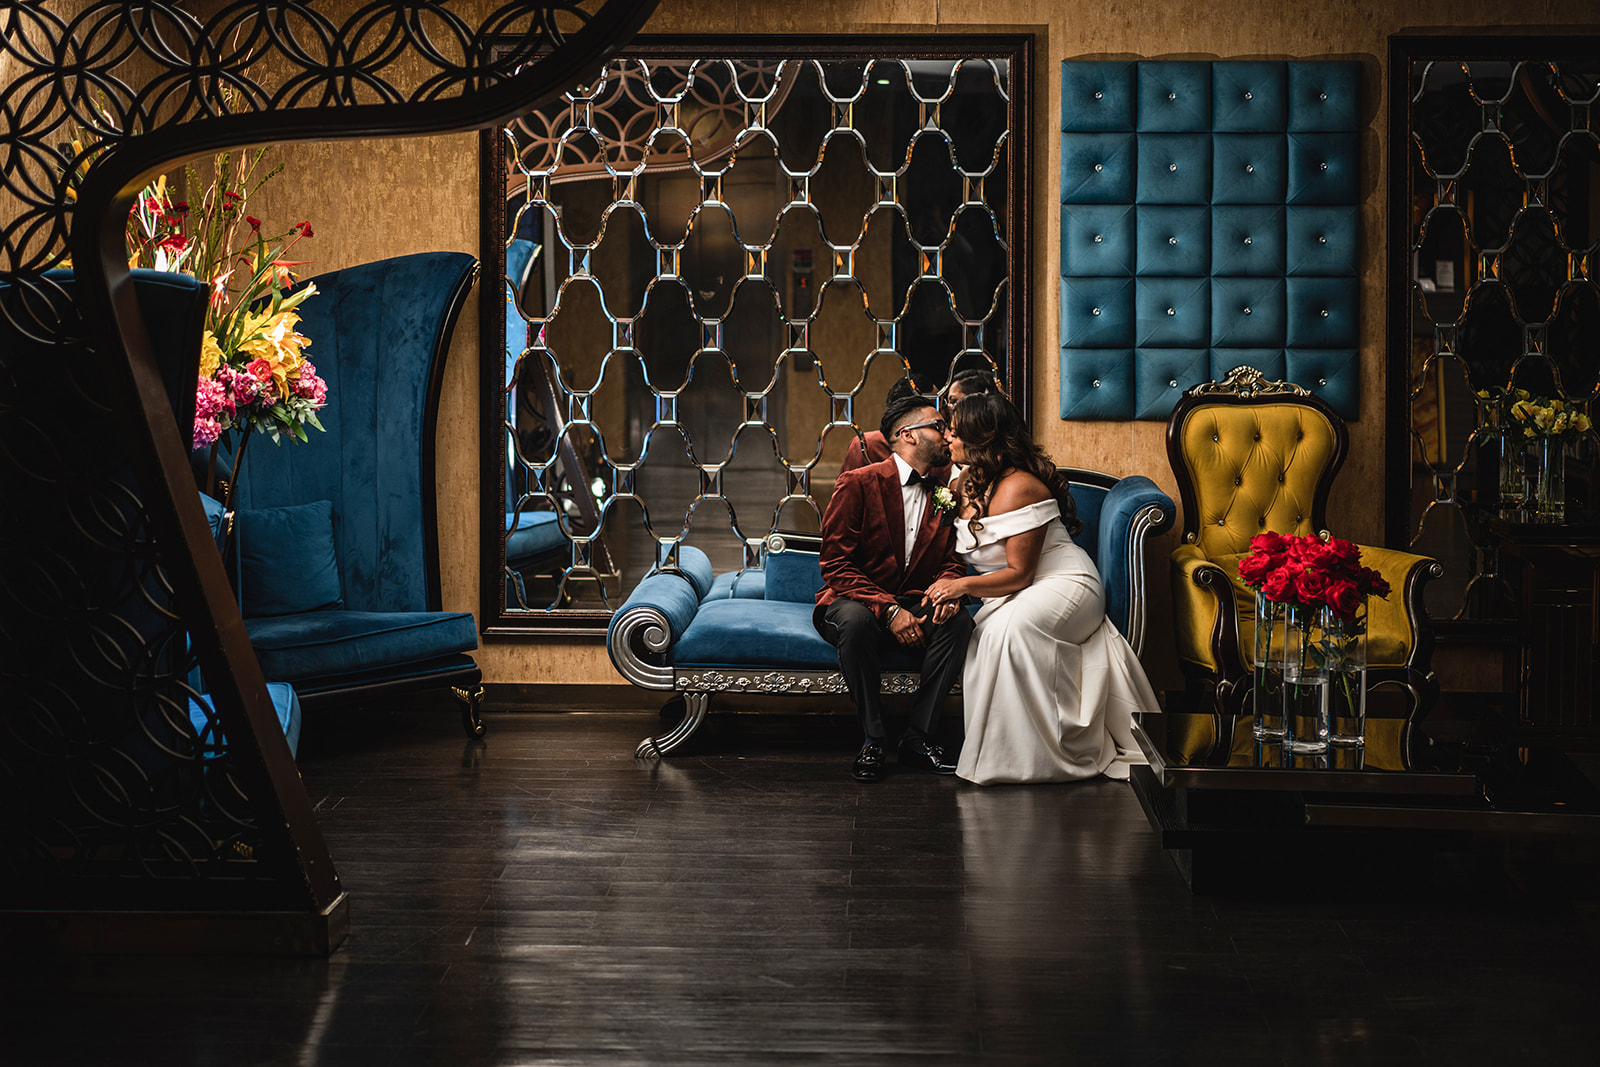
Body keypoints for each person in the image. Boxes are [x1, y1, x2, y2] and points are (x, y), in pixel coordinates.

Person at [922, 393, 1157, 785]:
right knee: (988, 635)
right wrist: (950, 592)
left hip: (1063, 584)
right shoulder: (961, 482)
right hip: (1011, 591)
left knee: (1008, 632)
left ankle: (1053, 756)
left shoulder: (1019, 487)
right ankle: (1006, 755)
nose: (947, 436)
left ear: (984, 437)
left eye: (955, 429)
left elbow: (1019, 574)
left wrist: (960, 585)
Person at [815, 393, 975, 782]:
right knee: (855, 622)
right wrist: (888, 610)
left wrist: (948, 586)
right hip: (855, 598)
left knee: (960, 624)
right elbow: (836, 564)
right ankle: (874, 738)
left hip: (915, 600)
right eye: (939, 427)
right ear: (908, 435)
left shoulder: (945, 493)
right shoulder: (858, 484)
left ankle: (918, 738)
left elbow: (954, 558)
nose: (947, 434)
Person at [839, 373, 937, 474]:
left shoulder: (942, 447)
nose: (946, 410)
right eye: (938, 404)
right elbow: (849, 485)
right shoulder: (867, 445)